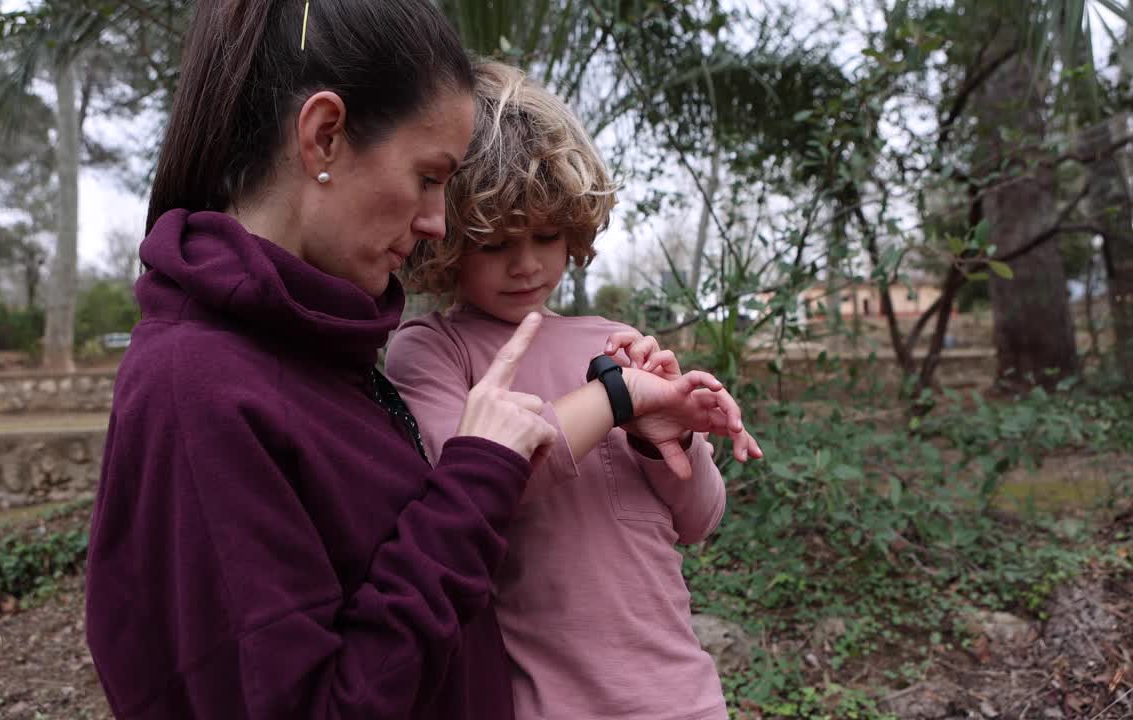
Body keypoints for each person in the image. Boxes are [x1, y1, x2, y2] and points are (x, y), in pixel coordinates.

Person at [84, 3, 746, 718]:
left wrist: (663, 435)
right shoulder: (202, 390)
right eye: (431, 178)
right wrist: (569, 423)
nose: (436, 222)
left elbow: (690, 515)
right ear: (324, 137)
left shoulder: (321, 354)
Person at [387, 62, 763, 720]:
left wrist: (666, 438)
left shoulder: (614, 341)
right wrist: (615, 402)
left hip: (682, 696)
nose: (527, 263)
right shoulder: (432, 350)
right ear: (445, 239)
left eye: (546, 235)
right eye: (495, 241)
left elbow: (698, 519)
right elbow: (470, 492)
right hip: (548, 702)